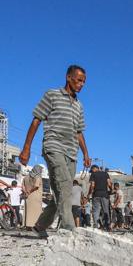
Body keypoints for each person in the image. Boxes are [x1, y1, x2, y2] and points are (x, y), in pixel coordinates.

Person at [19, 65, 90, 238]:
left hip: (72, 153)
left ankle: (40, 226)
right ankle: (68, 230)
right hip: (53, 146)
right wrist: (26, 148)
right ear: (68, 77)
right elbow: (36, 120)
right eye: (79, 80)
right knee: (65, 184)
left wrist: (86, 154)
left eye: (84, 82)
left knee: (62, 192)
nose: (82, 84)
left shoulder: (79, 105)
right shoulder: (52, 95)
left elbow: (79, 132)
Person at [88, 165, 113, 230]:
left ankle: (96, 225)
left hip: (96, 194)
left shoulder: (93, 174)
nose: (91, 172)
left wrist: (89, 193)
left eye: (92, 170)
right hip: (105, 194)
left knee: (96, 211)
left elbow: (92, 185)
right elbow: (109, 183)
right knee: (106, 210)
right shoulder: (105, 173)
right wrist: (111, 190)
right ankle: (107, 226)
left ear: (94, 168)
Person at [22, 165, 43, 230]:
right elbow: (36, 186)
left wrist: (26, 192)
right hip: (36, 196)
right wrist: (29, 191)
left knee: (28, 211)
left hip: (27, 197)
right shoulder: (38, 177)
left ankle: (28, 226)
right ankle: (35, 226)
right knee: (36, 212)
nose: (41, 171)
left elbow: (22, 186)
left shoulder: (25, 177)